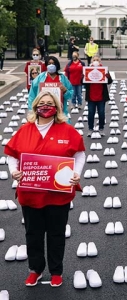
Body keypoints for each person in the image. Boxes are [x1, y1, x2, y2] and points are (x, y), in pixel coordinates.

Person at [4, 91, 85, 287]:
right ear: (35, 107)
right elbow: (12, 155)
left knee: (56, 233)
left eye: (50, 103)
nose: (46, 106)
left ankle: (56, 271)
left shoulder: (67, 130)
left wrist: (76, 173)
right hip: (31, 193)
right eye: (42, 103)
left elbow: (80, 153)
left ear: (57, 108)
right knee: (33, 233)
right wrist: (14, 171)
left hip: (58, 194)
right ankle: (36, 269)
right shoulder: (25, 130)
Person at [85, 54, 112, 137]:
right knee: (91, 113)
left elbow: (109, 81)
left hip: (101, 96)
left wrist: (108, 76)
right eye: (94, 60)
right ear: (91, 61)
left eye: (97, 60)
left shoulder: (104, 70)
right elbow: (83, 83)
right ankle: (90, 129)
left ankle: (101, 128)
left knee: (101, 113)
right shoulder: (87, 70)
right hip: (91, 96)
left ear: (100, 61)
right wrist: (83, 77)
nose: (95, 61)